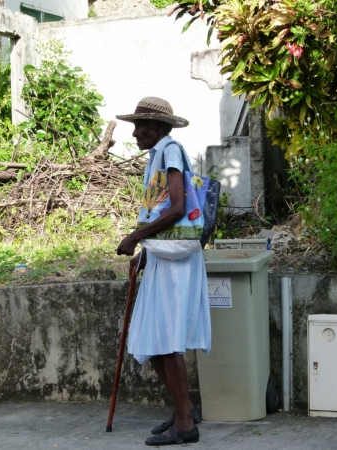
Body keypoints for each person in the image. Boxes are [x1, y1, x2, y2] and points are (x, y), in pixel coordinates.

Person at [115, 96, 211, 446]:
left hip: (176, 263)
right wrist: (145, 251)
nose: (136, 132)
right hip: (163, 257)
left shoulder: (170, 150)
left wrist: (136, 236)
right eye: (135, 125)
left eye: (142, 126)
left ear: (159, 128)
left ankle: (185, 424)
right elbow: (159, 213)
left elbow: (177, 206)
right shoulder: (159, 155)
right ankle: (183, 409)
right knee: (154, 340)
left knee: (167, 341)